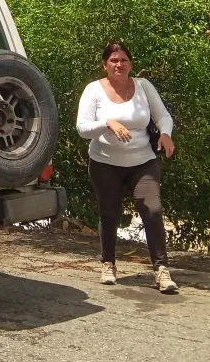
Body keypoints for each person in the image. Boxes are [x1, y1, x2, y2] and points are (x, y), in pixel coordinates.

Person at [76, 42, 179, 294]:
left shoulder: (144, 86)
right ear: (105, 65)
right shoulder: (94, 90)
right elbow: (82, 128)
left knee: (152, 209)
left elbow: (163, 116)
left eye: (123, 60)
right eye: (113, 60)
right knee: (109, 214)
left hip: (142, 162)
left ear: (130, 63)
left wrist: (165, 134)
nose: (119, 64)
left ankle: (161, 270)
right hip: (105, 163)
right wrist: (108, 122)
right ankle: (108, 263)